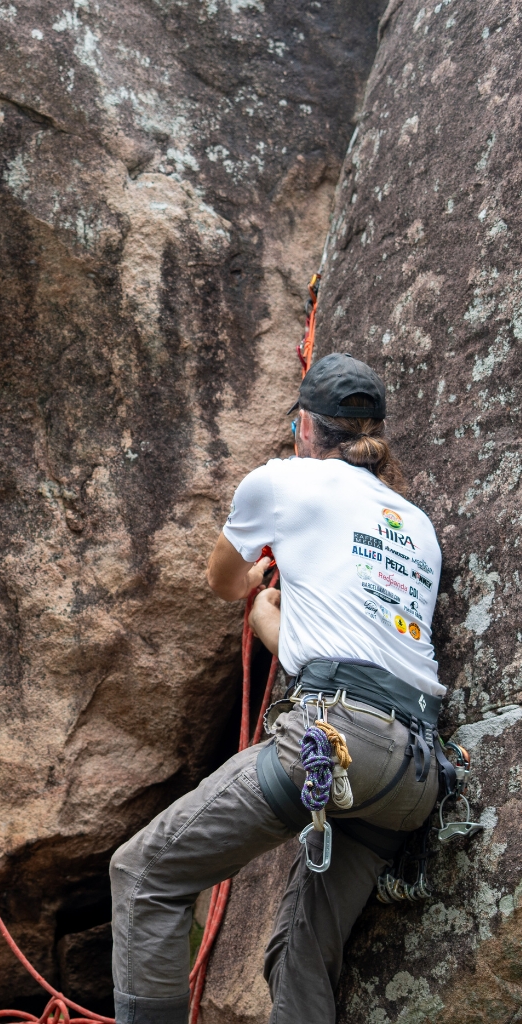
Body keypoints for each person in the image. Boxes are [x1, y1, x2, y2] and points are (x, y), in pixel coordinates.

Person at [110, 353, 449, 1024]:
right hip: (412, 773)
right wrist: (279, 628)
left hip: (332, 741)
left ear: (303, 427)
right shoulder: (417, 526)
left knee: (145, 875)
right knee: (297, 955)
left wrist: (263, 603)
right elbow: (368, 651)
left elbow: (225, 582)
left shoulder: (282, 482)